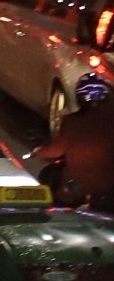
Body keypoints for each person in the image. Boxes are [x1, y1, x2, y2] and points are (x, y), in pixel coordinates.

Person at [36, 74, 114, 211]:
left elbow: (56, 150)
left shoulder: (73, 121)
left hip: (78, 189)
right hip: (108, 189)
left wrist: (39, 151)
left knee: (60, 200)